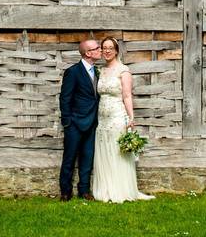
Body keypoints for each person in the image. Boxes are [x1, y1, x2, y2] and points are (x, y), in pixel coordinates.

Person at [91, 37, 154, 203]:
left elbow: (126, 95)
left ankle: (120, 190)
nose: (107, 51)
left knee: (117, 153)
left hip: (117, 116)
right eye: (104, 48)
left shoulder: (123, 71)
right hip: (102, 118)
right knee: (105, 151)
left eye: (110, 48)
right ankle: (105, 189)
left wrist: (130, 117)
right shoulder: (100, 71)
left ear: (117, 50)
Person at [58, 38, 101, 201]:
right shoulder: (73, 71)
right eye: (97, 48)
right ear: (88, 53)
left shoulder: (97, 71)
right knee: (69, 158)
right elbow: (65, 98)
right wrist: (67, 122)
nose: (101, 50)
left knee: (87, 157)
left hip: (92, 122)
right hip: (74, 123)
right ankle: (65, 191)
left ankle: (84, 190)